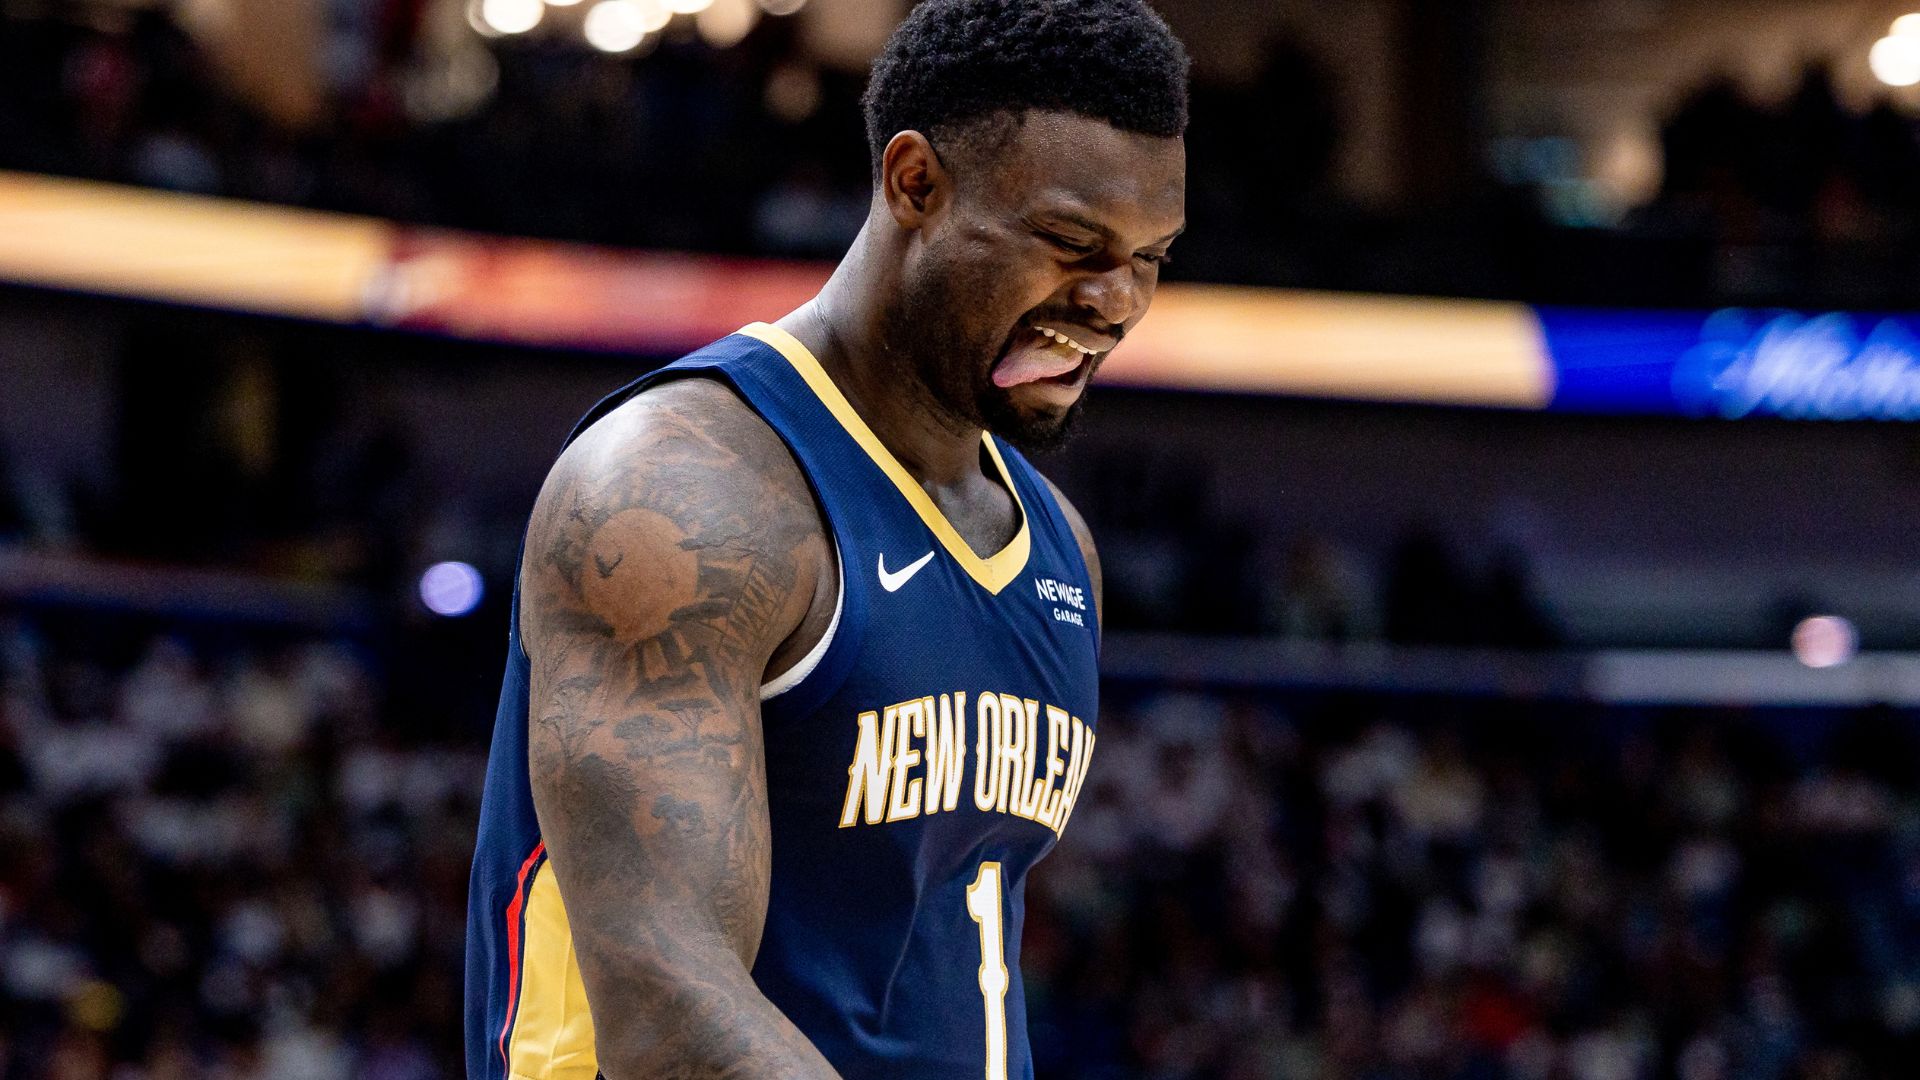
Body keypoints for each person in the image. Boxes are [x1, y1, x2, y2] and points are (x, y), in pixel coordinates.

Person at [464, 0, 1188, 1076]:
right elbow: (668, 1007)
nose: (1116, 299)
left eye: (1149, 256)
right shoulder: (683, 495)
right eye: (1072, 244)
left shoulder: (1055, 551)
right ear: (914, 183)